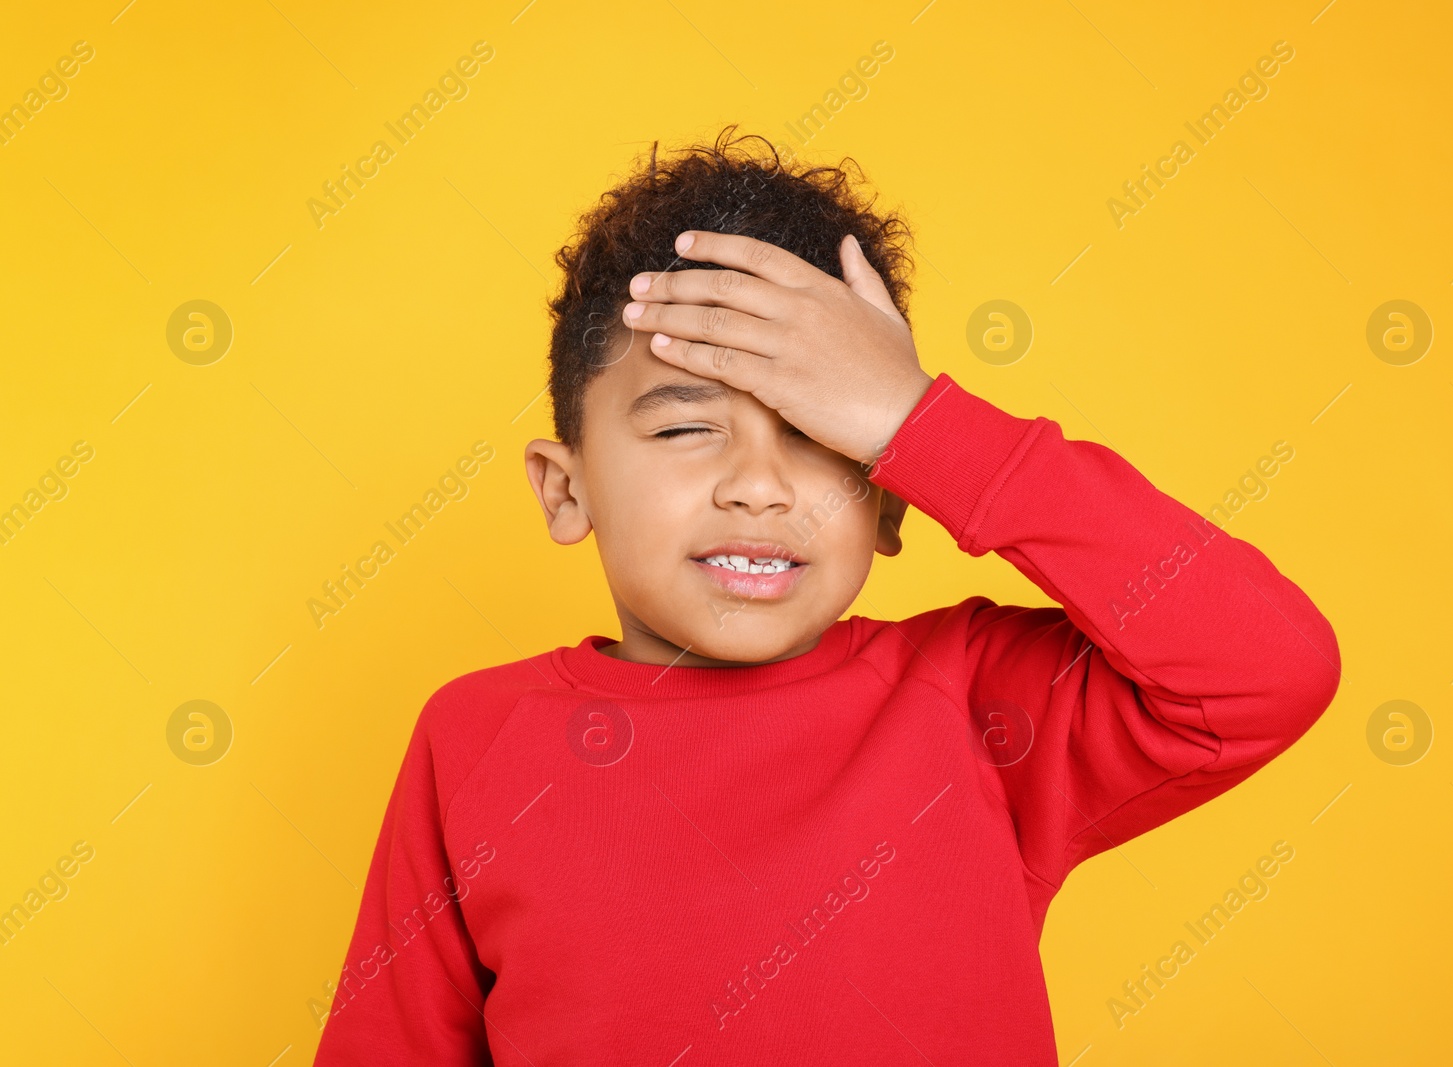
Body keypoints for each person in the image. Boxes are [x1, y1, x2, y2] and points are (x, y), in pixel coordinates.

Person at [311, 126, 1340, 1065]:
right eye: (684, 427)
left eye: (823, 436)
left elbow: (1264, 667)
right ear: (564, 485)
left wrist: (919, 423)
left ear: (893, 501)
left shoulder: (971, 703)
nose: (758, 484)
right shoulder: (474, 739)